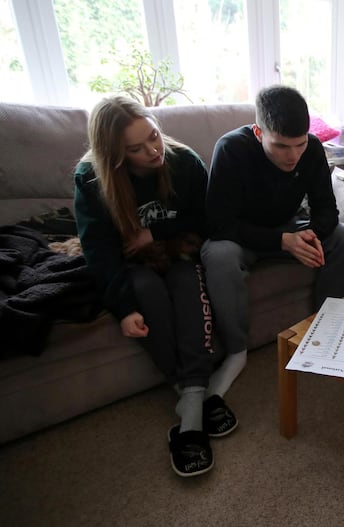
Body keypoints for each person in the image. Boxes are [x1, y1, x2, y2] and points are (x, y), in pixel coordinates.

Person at [74, 96, 237, 478]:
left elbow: (206, 217)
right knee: (146, 294)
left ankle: (192, 404)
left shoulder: (184, 162)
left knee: (185, 283)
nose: (153, 150)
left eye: (154, 136)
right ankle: (191, 393)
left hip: (178, 249)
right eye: (136, 148)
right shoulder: (91, 179)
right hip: (132, 263)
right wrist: (124, 308)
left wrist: (155, 232)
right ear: (115, 155)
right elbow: (98, 250)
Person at [201, 85, 344, 393]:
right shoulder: (231, 149)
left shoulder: (311, 149)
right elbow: (218, 224)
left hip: (289, 227)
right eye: (282, 146)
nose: (293, 156)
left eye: (299, 145)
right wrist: (283, 241)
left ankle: (324, 327)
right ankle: (236, 352)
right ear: (259, 133)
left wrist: (311, 235)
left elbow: (327, 209)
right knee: (218, 256)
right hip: (242, 237)